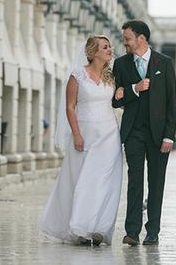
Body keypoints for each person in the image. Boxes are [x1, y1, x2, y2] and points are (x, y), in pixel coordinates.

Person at [40, 36, 123, 246]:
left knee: (105, 182)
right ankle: (79, 227)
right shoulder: (78, 75)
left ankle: (99, 227)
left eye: (109, 47)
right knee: (82, 181)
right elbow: (70, 107)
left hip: (109, 135)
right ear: (93, 52)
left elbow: (115, 101)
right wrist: (76, 134)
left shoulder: (111, 77)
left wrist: (121, 94)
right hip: (85, 134)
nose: (109, 50)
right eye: (104, 47)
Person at [112, 20, 176, 246]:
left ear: (141, 38)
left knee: (156, 182)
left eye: (128, 39)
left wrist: (170, 135)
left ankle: (153, 232)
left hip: (160, 135)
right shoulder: (120, 65)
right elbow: (115, 100)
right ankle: (132, 231)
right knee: (135, 182)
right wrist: (134, 89)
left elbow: (172, 103)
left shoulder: (164, 63)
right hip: (133, 133)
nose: (125, 44)